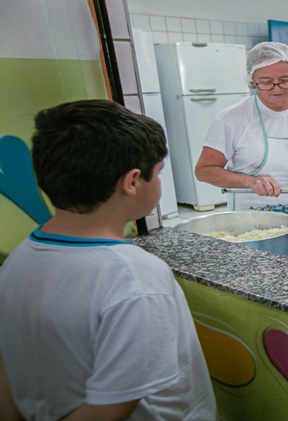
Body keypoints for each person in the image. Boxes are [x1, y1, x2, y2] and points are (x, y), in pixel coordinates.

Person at [0, 100, 217, 420]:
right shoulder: (135, 278)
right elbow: (106, 412)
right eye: (158, 173)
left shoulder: (18, 261)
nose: (159, 182)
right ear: (132, 181)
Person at [195, 41, 288, 213]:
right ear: (252, 80)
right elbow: (204, 170)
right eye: (266, 82)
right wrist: (250, 182)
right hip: (255, 218)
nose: (277, 89)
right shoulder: (231, 118)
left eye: (285, 81)